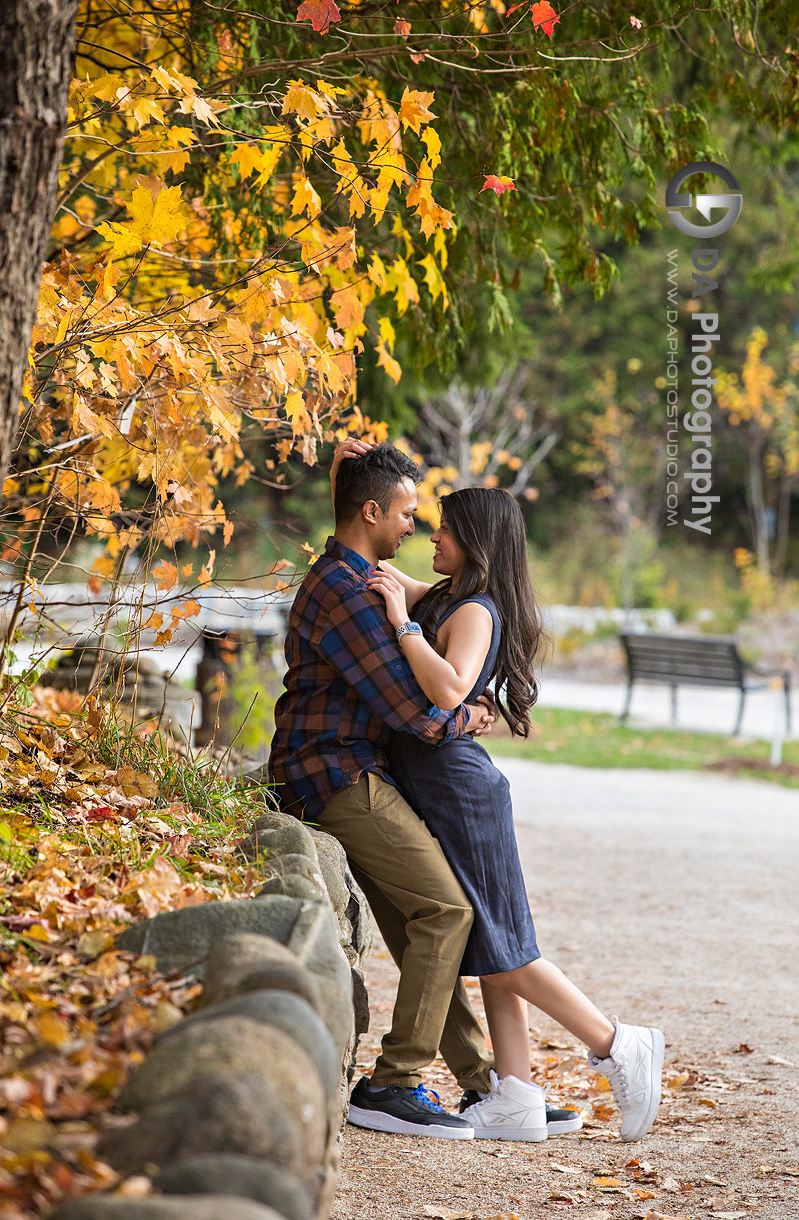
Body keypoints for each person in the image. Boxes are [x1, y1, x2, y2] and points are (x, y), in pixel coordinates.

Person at [357, 457, 665, 1144]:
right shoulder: (447, 594)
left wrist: (402, 622)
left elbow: (448, 688)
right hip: (447, 789)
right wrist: (350, 490)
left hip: (462, 792)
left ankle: (618, 1043)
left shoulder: (469, 610)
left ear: (476, 541)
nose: (429, 540)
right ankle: (516, 1095)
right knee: (493, 945)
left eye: (442, 531)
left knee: (509, 951)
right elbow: (381, 570)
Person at [268, 442, 499, 1139]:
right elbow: (415, 713)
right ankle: (393, 1082)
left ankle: (484, 1085)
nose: (413, 524)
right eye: (403, 511)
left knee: (415, 920)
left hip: (348, 769)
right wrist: (473, 716)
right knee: (445, 910)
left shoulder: (359, 574)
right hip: (332, 774)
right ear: (370, 512)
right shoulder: (345, 592)